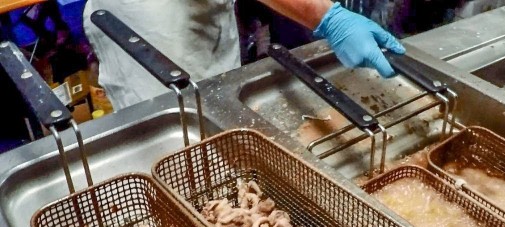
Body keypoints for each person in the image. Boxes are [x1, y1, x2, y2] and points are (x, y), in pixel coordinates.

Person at [83, 0, 405, 111]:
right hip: (156, 21)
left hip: (200, 16)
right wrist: (326, 16)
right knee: (176, 140)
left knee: (216, 113)